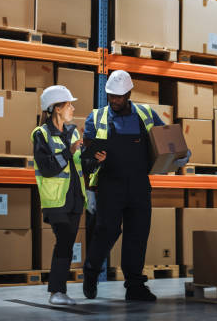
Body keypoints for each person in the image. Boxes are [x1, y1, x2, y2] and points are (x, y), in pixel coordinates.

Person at [82, 70, 190, 301]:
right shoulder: (96, 117)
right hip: (109, 185)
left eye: (119, 96)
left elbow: (166, 138)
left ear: (129, 93)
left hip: (139, 184)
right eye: (111, 96)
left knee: (137, 234)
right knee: (106, 231)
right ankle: (91, 273)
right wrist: (89, 189)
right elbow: (86, 157)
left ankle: (134, 285)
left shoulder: (146, 114)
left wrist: (181, 153)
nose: (115, 101)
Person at [31, 86, 105, 305]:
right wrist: (69, 151)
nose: (73, 108)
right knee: (64, 240)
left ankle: (58, 291)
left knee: (67, 243)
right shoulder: (41, 134)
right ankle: (56, 292)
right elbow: (47, 168)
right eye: (68, 104)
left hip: (74, 199)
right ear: (56, 108)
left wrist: (95, 161)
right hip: (55, 200)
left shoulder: (73, 132)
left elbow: (80, 164)